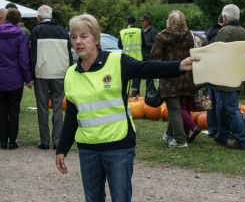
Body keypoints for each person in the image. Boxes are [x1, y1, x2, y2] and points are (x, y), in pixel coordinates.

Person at [55, 13, 199, 202]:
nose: (78, 42)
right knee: (92, 199)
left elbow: (147, 68)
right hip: (88, 149)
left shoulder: (117, 62)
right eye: (74, 37)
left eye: (84, 36)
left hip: (118, 147)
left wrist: (179, 65)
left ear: (96, 39)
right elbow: (73, 115)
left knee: (121, 198)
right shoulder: (71, 74)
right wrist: (62, 149)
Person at [151, 10, 199, 147]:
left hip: (169, 76)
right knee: (176, 108)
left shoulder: (161, 37)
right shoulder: (189, 35)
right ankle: (169, 135)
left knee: (174, 109)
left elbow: (155, 56)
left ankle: (180, 140)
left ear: (169, 21)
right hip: (186, 77)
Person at [30, 5, 72, 150]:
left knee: (42, 108)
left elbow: (32, 55)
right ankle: (57, 140)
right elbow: (69, 54)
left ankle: (44, 141)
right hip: (60, 73)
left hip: (41, 74)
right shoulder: (62, 31)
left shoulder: (36, 30)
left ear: (39, 18)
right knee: (58, 108)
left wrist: (30, 75)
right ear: (51, 16)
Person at [212, 4, 245, 150]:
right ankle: (222, 136)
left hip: (225, 77)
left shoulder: (224, 31)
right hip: (239, 75)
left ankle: (241, 140)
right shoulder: (244, 32)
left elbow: (217, 54)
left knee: (231, 109)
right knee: (223, 107)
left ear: (224, 17)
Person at [0, 8, 33, 150]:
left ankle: (2, 141)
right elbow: (23, 60)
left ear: (6, 18)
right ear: (18, 21)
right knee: (14, 111)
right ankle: (12, 141)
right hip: (15, 79)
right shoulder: (21, 36)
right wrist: (28, 78)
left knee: (1, 111)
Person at [118, 16, 146, 97]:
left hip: (126, 59)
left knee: (126, 77)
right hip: (138, 58)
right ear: (135, 22)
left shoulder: (122, 32)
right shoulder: (139, 31)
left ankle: (125, 94)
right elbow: (144, 45)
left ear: (127, 22)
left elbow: (119, 46)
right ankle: (135, 95)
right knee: (136, 77)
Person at [205, 14, 223, 138]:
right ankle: (219, 130)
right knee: (219, 102)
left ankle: (211, 128)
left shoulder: (210, 34)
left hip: (209, 70)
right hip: (218, 71)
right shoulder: (220, 35)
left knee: (211, 101)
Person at [140, 14, 157, 89]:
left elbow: (156, 44)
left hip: (149, 57)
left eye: (143, 21)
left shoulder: (153, 32)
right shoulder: (140, 31)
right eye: (141, 21)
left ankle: (150, 92)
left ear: (148, 21)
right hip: (141, 57)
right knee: (137, 76)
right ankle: (136, 92)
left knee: (149, 77)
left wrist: (146, 44)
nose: (142, 23)